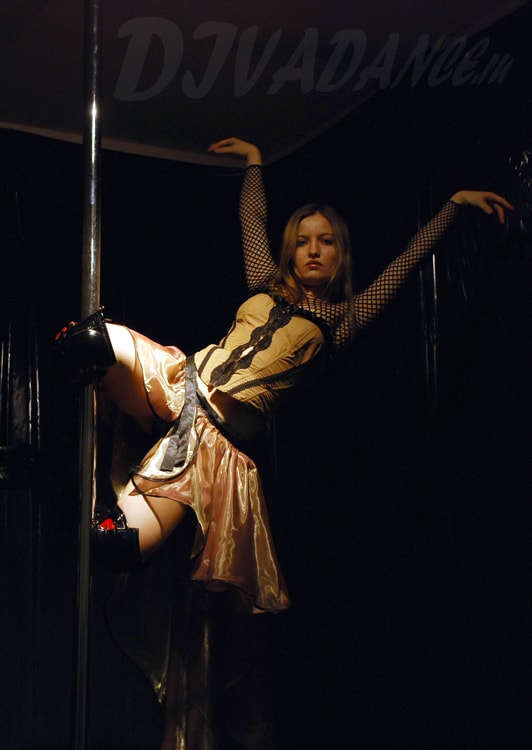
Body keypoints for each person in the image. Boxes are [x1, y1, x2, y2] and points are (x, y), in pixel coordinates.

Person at [56, 136, 512, 746]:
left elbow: (403, 266)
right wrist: (254, 164)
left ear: (341, 253)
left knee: (113, 543)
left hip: (210, 445)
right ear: (291, 250)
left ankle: (125, 497)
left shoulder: (343, 319)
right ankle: (99, 452)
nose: (313, 250)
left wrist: (452, 206)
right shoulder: (262, 281)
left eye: (326, 241)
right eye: (303, 240)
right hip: (174, 380)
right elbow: (252, 223)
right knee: (85, 340)